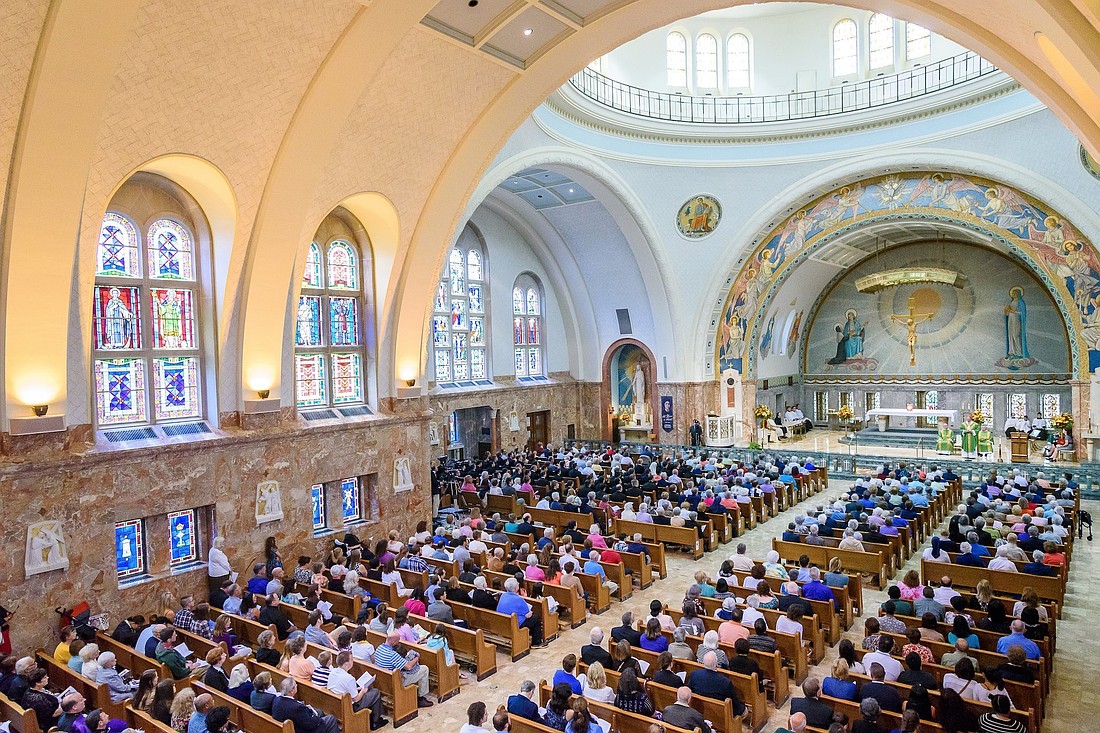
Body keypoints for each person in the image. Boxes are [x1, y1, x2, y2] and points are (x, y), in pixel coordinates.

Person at [374, 630, 433, 707]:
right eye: (398, 641)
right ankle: (421, 698)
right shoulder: (392, 654)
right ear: (393, 641)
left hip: (383, 681)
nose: (398, 642)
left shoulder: (379, 648)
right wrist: (416, 658)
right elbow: (408, 666)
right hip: (396, 682)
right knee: (424, 669)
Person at [271, 678, 339, 733]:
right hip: (302, 729)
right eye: (295, 685)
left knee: (320, 712)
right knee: (331, 719)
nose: (297, 686)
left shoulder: (276, 700)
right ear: (291, 691)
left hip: (292, 725)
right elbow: (310, 724)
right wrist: (317, 719)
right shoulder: (297, 708)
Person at [687, 651, 745, 715]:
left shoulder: (694, 674)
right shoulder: (725, 682)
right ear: (716, 664)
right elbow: (734, 703)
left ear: (703, 663)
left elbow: (689, 690)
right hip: (721, 714)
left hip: (698, 710)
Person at [498, 577, 545, 646]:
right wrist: (530, 613)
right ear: (515, 588)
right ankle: (536, 642)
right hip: (515, 624)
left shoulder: (503, 595)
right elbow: (527, 613)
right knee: (536, 618)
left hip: (504, 621)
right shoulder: (518, 599)